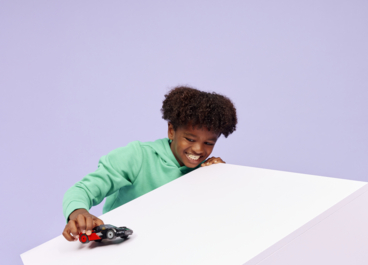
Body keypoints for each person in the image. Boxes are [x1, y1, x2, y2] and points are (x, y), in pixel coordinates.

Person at [62, 86, 238, 241]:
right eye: (190, 139)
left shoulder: (205, 170)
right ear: (171, 131)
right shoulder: (137, 156)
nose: (199, 149)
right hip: (120, 244)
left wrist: (219, 178)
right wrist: (79, 213)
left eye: (208, 143)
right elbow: (82, 190)